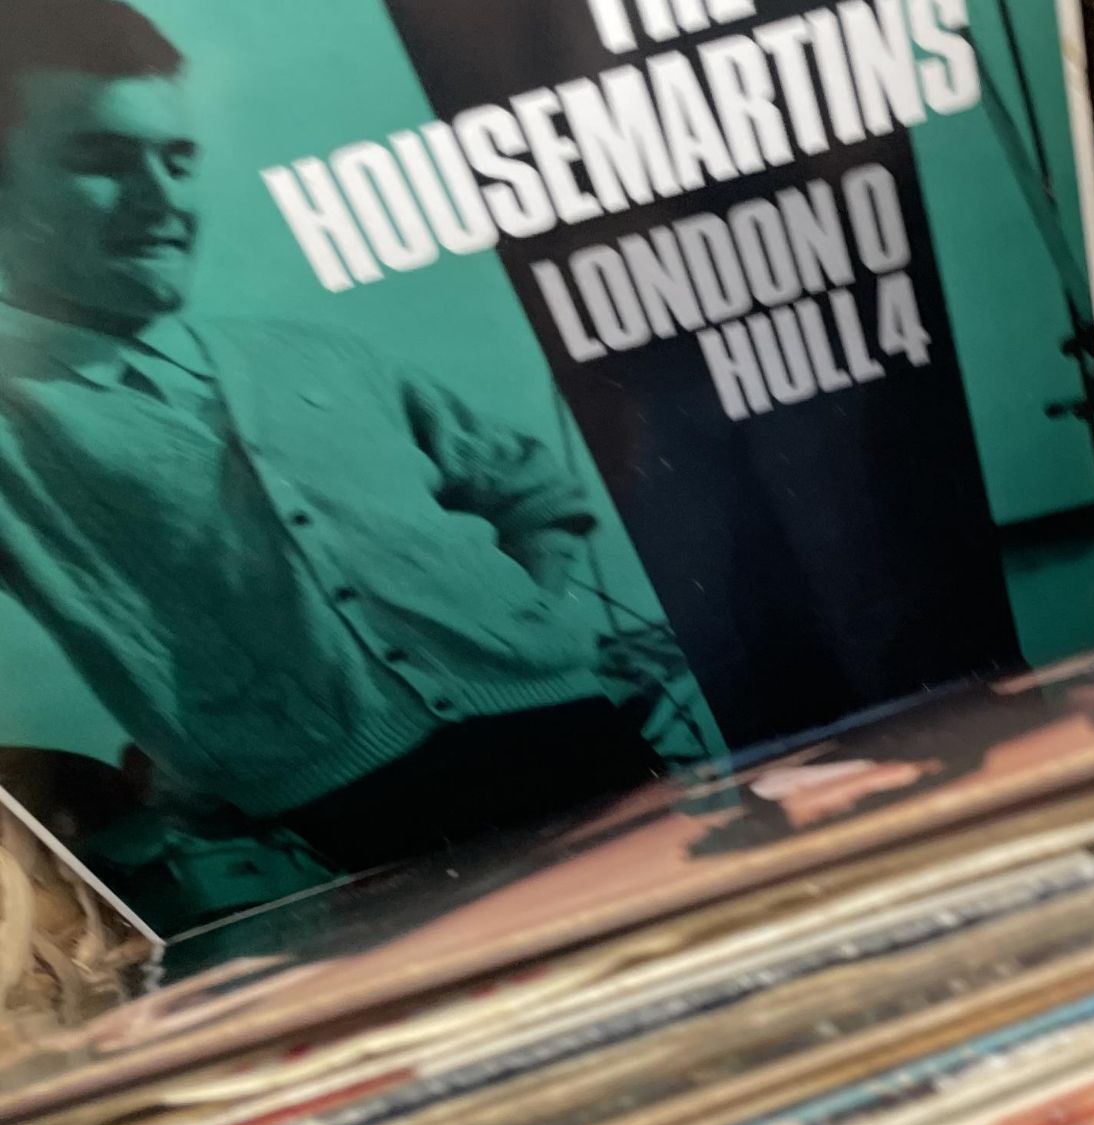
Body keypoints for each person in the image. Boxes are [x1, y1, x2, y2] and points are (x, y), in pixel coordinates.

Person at [0, 0, 678, 873]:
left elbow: (530, 486)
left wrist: (548, 624)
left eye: (179, 159)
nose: (160, 199)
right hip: (348, 813)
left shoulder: (315, 353)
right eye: (101, 158)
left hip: (577, 725)